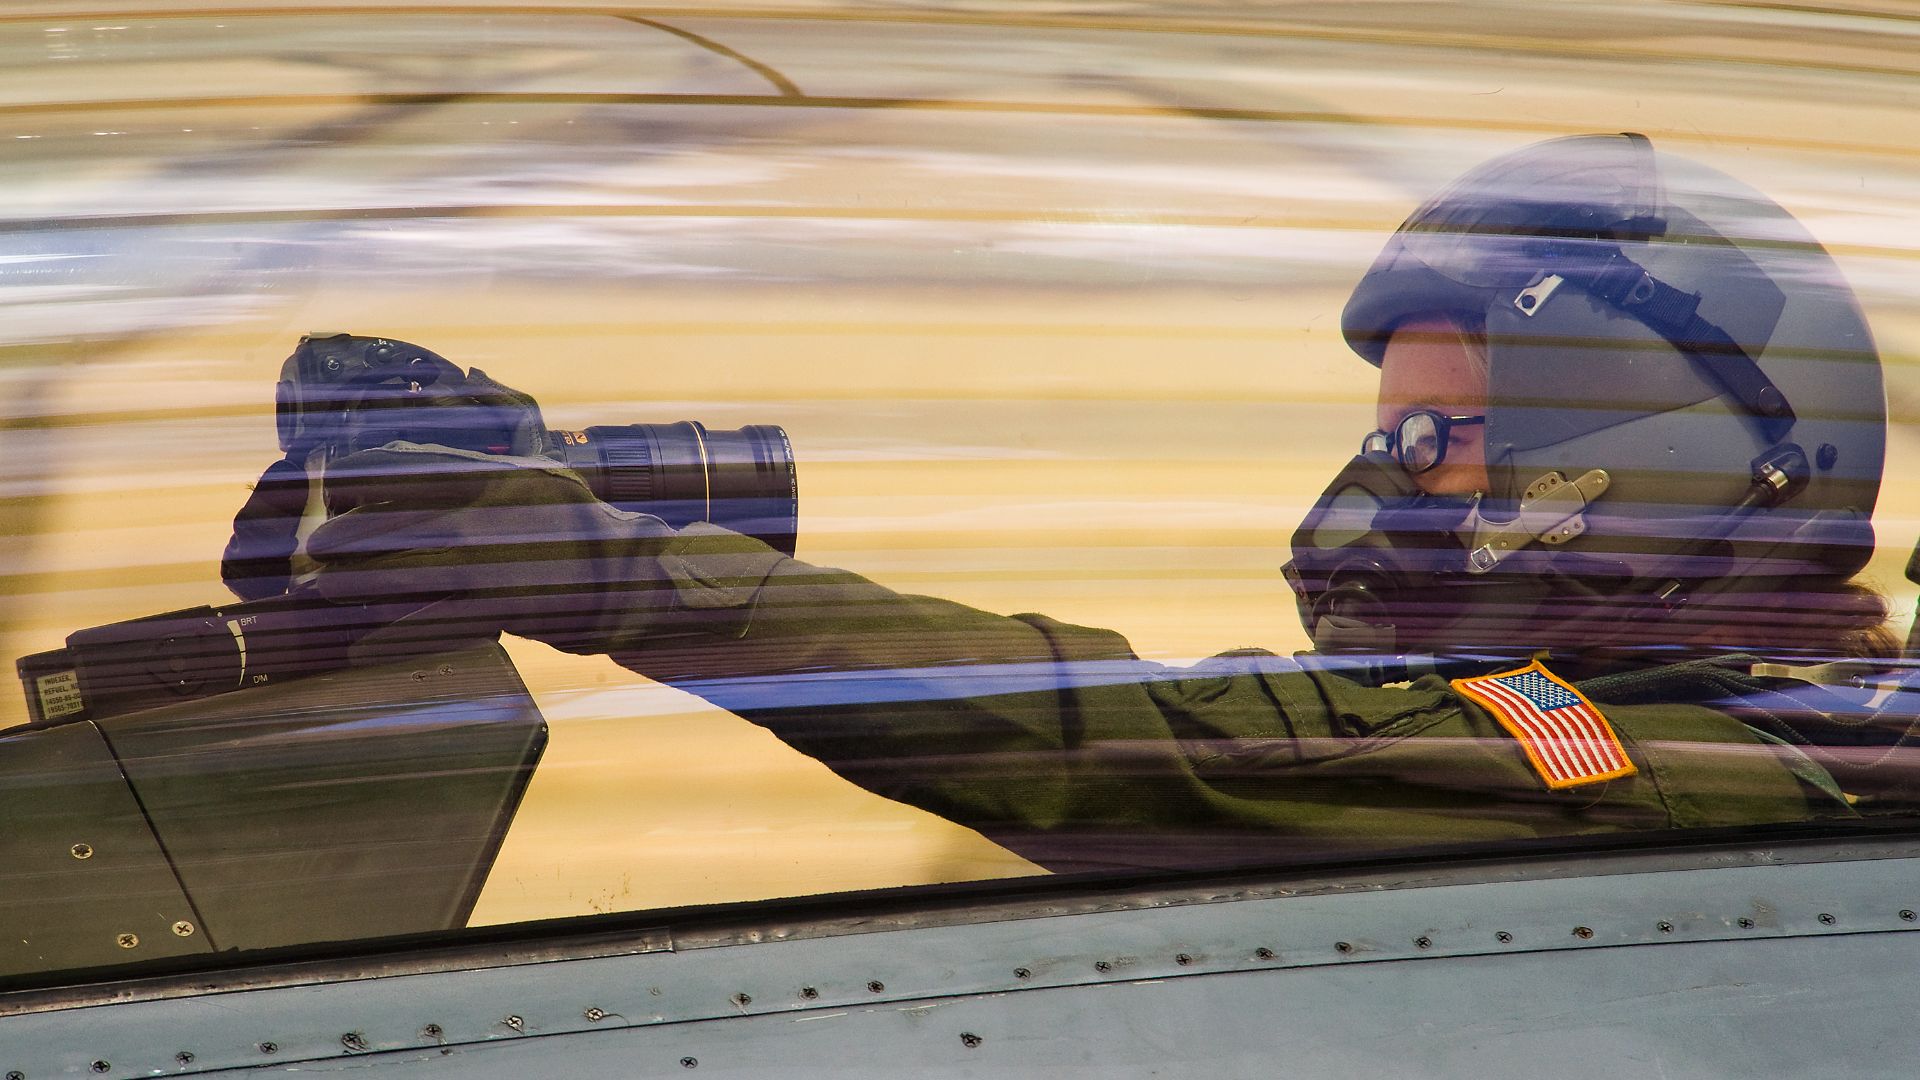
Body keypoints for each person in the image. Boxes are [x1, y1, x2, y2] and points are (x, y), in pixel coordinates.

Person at [226, 134, 1915, 874]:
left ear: (1657, 444)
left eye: (1436, 443)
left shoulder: (1787, 759)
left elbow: (1181, 754)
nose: (1375, 502)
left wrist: (613, 574)